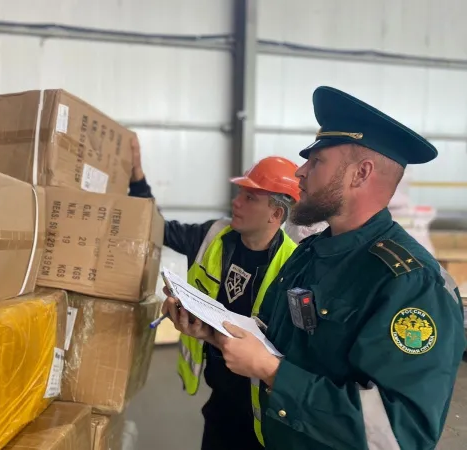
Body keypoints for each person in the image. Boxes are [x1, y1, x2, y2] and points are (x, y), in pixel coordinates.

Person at [197, 86, 466, 449]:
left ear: (360, 174)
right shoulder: (311, 252)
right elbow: (275, 340)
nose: (300, 172)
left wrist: (273, 372)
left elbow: (398, 432)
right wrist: (217, 333)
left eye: (316, 161)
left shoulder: (411, 283)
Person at [128, 138, 300, 450]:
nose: (236, 202)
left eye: (249, 197)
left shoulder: (295, 266)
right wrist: (137, 177)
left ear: (276, 215)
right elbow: (157, 227)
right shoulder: (214, 236)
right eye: (240, 193)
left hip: (264, 417)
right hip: (220, 402)